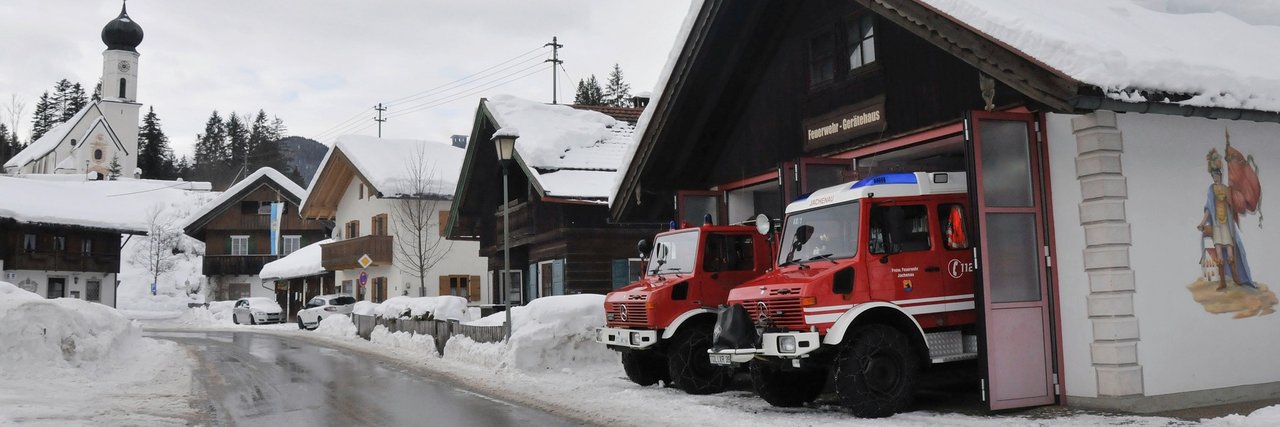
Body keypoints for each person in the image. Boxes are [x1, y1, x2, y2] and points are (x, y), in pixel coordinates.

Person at [1198, 148, 1254, 290]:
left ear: (1220, 175)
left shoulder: (1226, 188)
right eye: (1214, 175)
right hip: (1217, 225)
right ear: (1212, 176)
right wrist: (1202, 223)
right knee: (1219, 256)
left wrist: (1233, 197)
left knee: (1230, 254)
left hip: (1226, 225)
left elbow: (1233, 203)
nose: (1216, 177)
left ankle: (1236, 278)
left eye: (1218, 174)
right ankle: (1222, 282)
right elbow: (1208, 209)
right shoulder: (1211, 190)